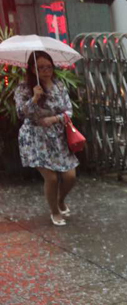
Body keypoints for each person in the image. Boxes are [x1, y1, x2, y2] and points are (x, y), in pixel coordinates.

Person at [14, 51, 79, 226]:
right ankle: (54, 211)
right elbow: (21, 113)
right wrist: (34, 98)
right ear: (33, 69)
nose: (45, 70)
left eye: (48, 67)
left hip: (57, 137)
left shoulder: (58, 85)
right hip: (35, 138)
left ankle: (60, 199)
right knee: (50, 178)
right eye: (41, 67)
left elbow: (69, 110)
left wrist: (55, 119)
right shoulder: (23, 88)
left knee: (70, 176)